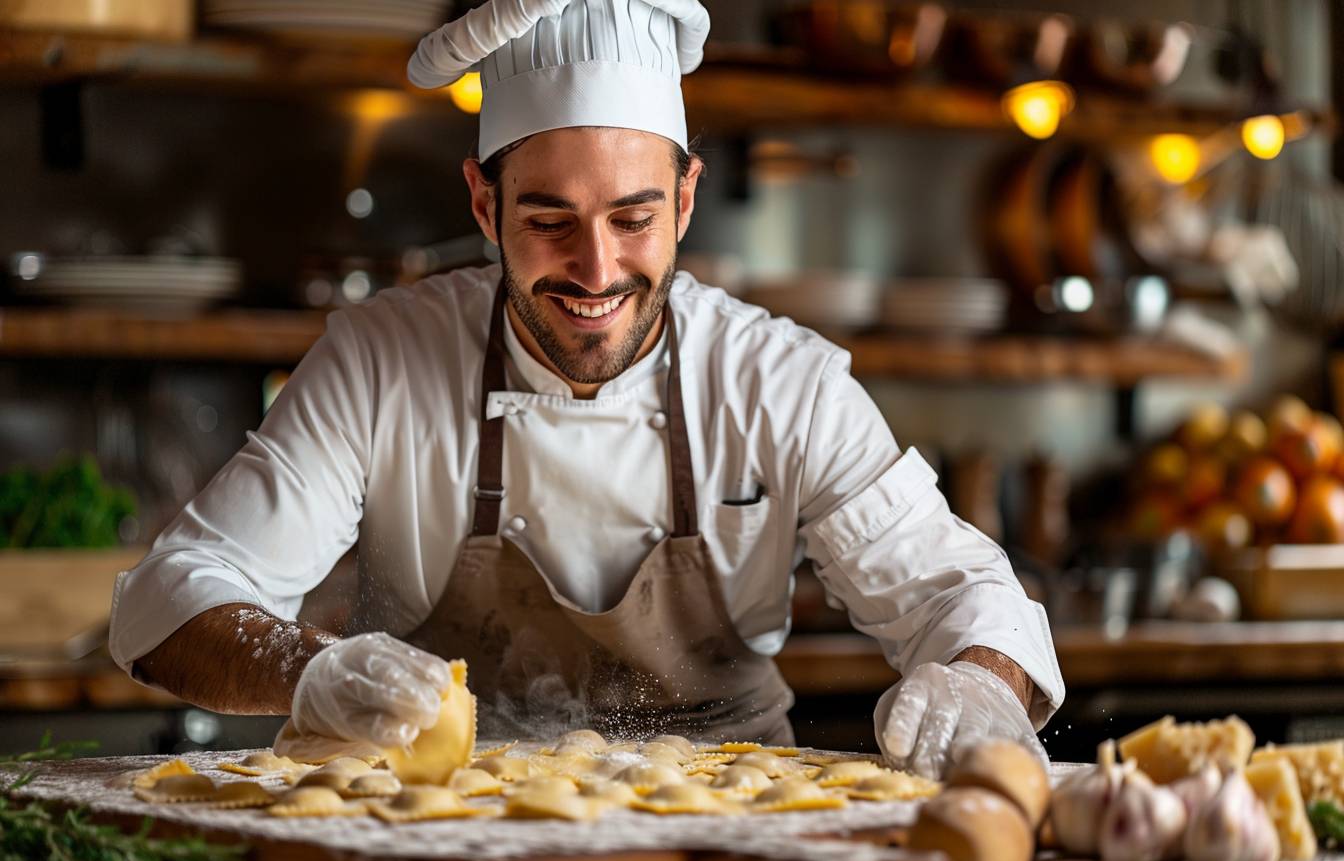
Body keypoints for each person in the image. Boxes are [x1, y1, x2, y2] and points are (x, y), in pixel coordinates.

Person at [109, 0, 1063, 778]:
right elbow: (168, 600)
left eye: (635, 218)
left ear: (685, 200)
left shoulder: (781, 382)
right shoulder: (381, 359)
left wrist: (979, 684)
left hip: (733, 834)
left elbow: (967, 596)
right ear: (484, 202)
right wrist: (312, 670)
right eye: (548, 219)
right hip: (433, 836)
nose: (596, 269)